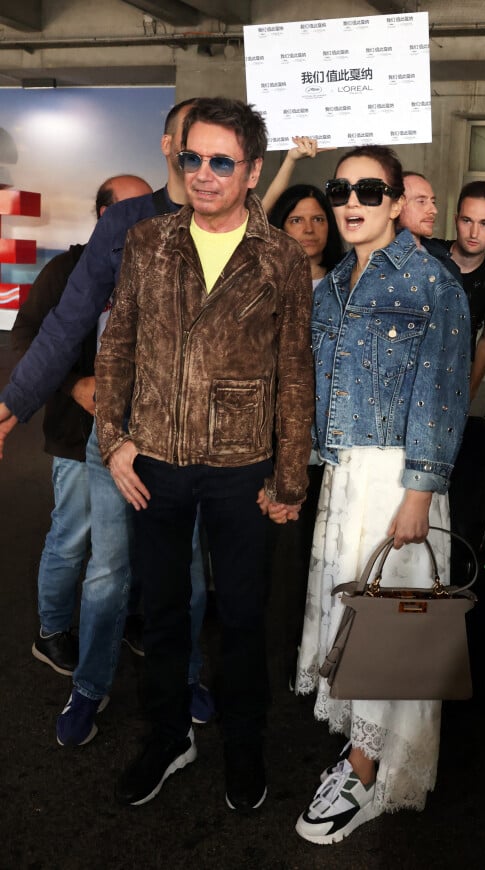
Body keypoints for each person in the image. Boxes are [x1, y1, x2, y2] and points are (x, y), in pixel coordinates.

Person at [94, 96, 314, 811]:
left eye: (223, 162)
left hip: (242, 467)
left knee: (245, 617)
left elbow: (295, 370)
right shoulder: (147, 241)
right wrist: (114, 441)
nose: (205, 175)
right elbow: (118, 342)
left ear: (252, 172)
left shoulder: (280, 256)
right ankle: (166, 737)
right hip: (153, 460)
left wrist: (289, 477)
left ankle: (244, 743)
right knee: (160, 613)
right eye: (194, 158)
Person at [0, 98, 213, 745]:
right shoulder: (124, 222)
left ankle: (187, 675)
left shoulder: (235, 224)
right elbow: (65, 324)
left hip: (195, 440)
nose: (202, 159)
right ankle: (89, 688)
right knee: (107, 573)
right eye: (190, 143)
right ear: (168, 145)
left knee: (190, 574)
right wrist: (12, 405)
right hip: (114, 434)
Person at [294, 144, 471, 845]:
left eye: (371, 190)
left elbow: (444, 391)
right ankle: (360, 748)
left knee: (393, 623)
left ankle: (370, 770)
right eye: (341, 190)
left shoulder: (433, 283)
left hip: (399, 476)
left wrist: (421, 493)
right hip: (346, 474)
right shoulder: (336, 280)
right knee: (356, 611)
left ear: (398, 202)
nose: (352, 203)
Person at [11, 174, 153, 677]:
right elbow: (28, 339)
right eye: (133, 207)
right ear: (104, 215)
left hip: (142, 438)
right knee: (73, 535)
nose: (148, 215)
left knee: (132, 539)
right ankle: (52, 632)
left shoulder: (160, 264)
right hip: (76, 433)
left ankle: (130, 620)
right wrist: (73, 386)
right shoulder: (67, 269)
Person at [268, 183, 343, 685]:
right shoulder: (265, 280)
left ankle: (314, 656)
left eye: (319, 219)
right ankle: (275, 656)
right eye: (297, 219)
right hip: (276, 434)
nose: (310, 229)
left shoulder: (346, 282)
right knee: (280, 553)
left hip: (332, 438)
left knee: (325, 551)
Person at [441, 180, 485, 400]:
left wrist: (469, 391)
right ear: (456, 220)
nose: (474, 232)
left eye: (484, 223)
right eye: (467, 220)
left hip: (453, 380)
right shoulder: (428, 256)